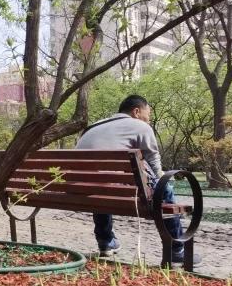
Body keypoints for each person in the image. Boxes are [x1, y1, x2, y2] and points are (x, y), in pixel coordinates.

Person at [76, 94, 193, 266]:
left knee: (102, 185)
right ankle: (176, 250)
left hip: (81, 190)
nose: (148, 120)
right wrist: (162, 180)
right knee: (165, 190)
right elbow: (153, 159)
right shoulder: (140, 126)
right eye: (148, 115)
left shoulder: (93, 127)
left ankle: (106, 241)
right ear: (136, 111)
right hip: (113, 187)